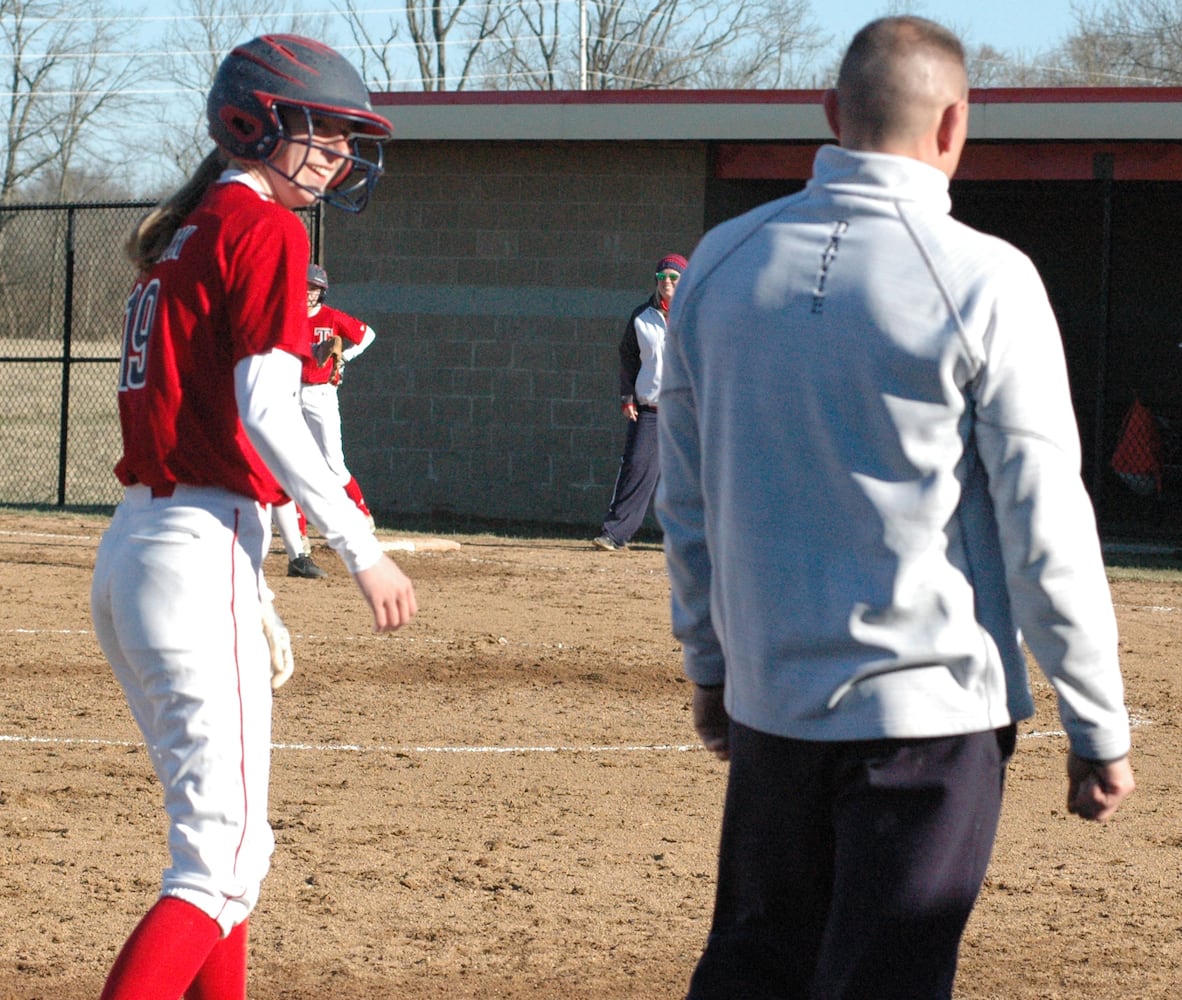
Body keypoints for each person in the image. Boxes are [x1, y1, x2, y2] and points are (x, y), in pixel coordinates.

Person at [656, 16, 1135, 1000]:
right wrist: (1096, 722)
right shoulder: (985, 278)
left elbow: (688, 499)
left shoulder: (719, 263)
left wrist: (709, 663)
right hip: (928, 715)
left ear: (830, 115)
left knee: (753, 969)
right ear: (955, 124)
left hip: (772, 712)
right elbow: (1043, 522)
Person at [89, 34, 417, 1000]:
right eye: (319, 131)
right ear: (254, 122)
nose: (338, 156)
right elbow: (268, 412)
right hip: (191, 549)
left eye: (344, 137)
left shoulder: (187, 230)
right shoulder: (263, 227)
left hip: (153, 546)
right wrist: (360, 548)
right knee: (220, 861)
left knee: (229, 856)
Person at [273, 263, 378, 579]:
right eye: (304, 287)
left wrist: (344, 357)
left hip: (321, 395)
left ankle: (363, 517)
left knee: (333, 465)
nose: (308, 293)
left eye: (314, 288)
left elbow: (367, 335)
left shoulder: (331, 317)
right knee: (292, 467)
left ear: (322, 291)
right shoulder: (286, 317)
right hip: (290, 393)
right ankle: (300, 540)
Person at [592, 252, 687, 551]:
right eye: (662, 277)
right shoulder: (641, 317)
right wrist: (627, 396)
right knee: (635, 467)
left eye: (674, 277)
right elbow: (629, 359)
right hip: (650, 409)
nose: (667, 282)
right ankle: (615, 533)